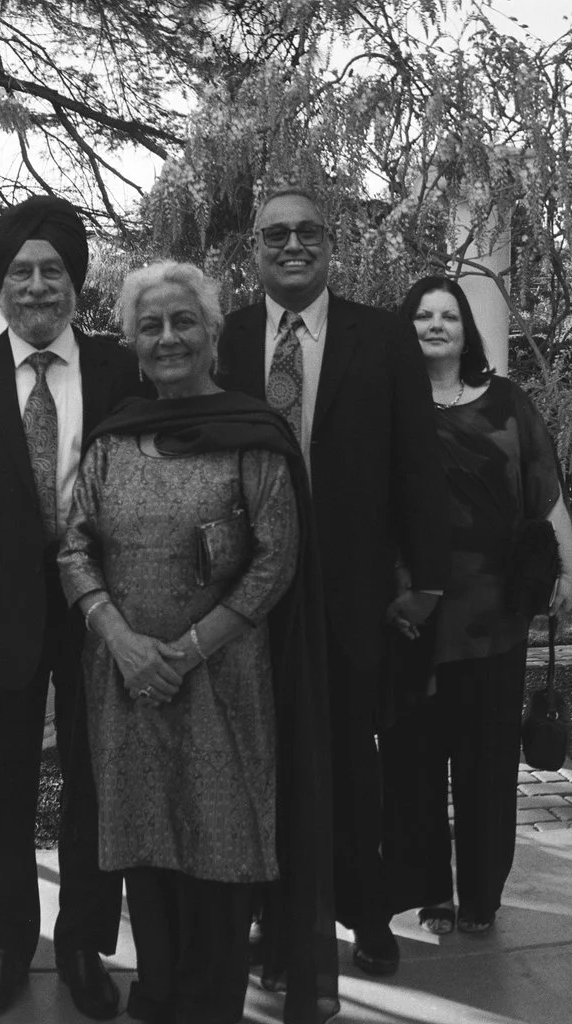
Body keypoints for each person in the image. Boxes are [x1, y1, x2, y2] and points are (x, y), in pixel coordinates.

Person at [58, 260, 336, 1024]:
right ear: (132, 342)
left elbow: (278, 558)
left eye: (184, 322)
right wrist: (121, 641)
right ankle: (157, 991)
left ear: (214, 334)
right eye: (151, 325)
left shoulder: (253, 434)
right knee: (144, 840)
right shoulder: (114, 440)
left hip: (223, 678)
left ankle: (210, 1003)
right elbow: (75, 548)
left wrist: (186, 649)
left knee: (219, 839)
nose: (168, 337)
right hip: (122, 678)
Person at [218, 187, 448, 976]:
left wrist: (429, 582)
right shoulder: (228, 339)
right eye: (275, 233)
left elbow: (419, 467)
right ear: (253, 249)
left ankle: (366, 914)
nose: (292, 244)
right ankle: (274, 919)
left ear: (330, 245)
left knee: (352, 760)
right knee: (261, 760)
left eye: (307, 231)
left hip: (351, 595)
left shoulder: (381, 340)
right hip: (245, 596)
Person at [0, 196, 130, 1019]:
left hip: (102, 610)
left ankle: (83, 944)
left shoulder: (120, 370)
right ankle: (5, 944)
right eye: (20, 274)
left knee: (96, 779)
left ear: (75, 281)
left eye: (52, 271)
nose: (37, 287)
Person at [381, 275, 572, 937]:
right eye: (422, 316)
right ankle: (432, 888)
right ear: (405, 330)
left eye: (448, 316)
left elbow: (544, 488)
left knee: (487, 761)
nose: (436, 325)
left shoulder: (507, 402)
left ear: (465, 330)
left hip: (495, 611)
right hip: (412, 612)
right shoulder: (388, 407)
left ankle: (482, 896)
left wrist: (567, 563)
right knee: (414, 759)